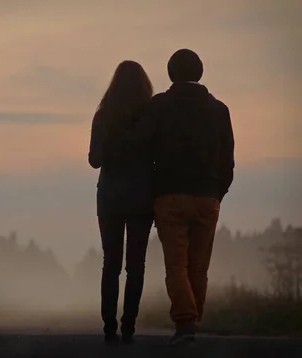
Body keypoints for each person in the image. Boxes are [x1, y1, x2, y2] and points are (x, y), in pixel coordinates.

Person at [138, 49, 235, 346]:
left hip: (169, 196)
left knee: (176, 264)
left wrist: (152, 189)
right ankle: (192, 319)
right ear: (200, 72)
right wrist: (219, 191)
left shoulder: (159, 106)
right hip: (208, 196)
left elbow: (143, 148)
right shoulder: (219, 110)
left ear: (170, 74)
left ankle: (186, 323)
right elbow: (227, 158)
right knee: (199, 265)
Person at [88, 60, 155, 344]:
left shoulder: (103, 116)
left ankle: (108, 325)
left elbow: (94, 160)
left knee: (111, 262)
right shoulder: (151, 116)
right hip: (142, 196)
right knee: (136, 265)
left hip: (111, 197)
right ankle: (129, 324)